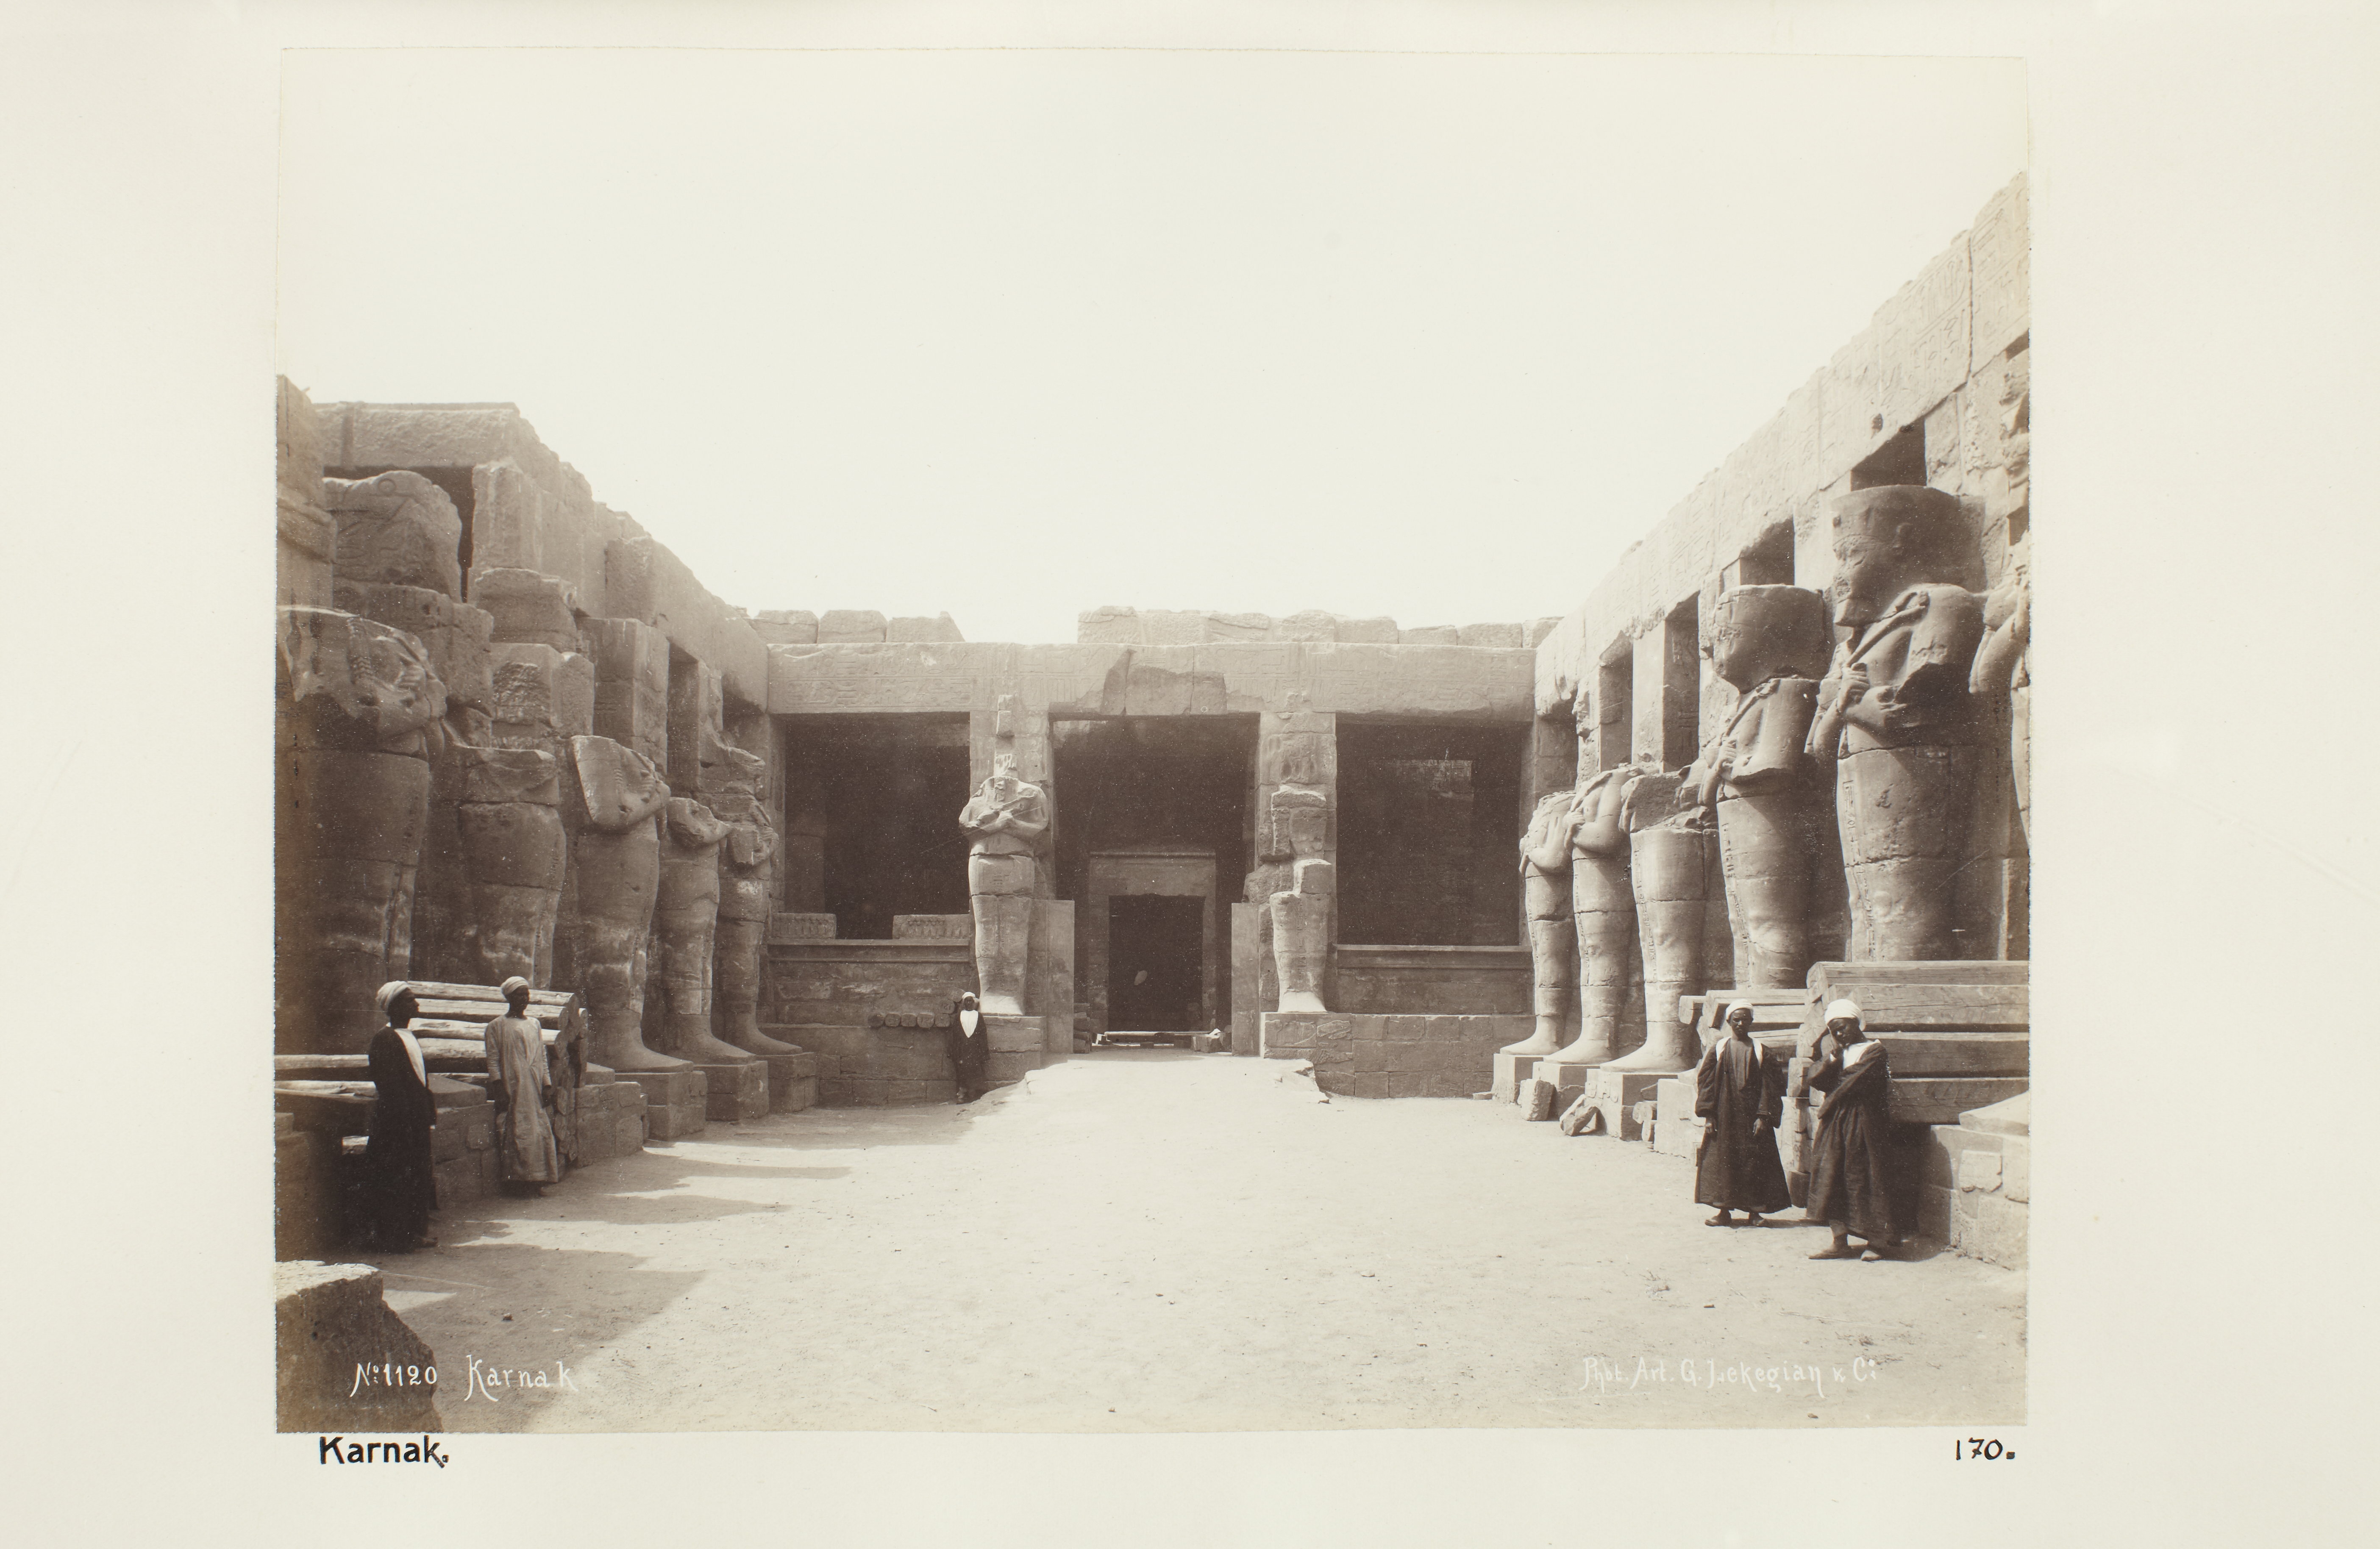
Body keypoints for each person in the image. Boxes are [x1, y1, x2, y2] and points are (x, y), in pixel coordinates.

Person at [1804, 998, 1900, 1260]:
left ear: (1857, 1024)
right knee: (1833, 1176)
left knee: (1867, 1177)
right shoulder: (1839, 1053)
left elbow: (1852, 1082)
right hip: (1837, 1123)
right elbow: (1814, 1078)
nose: (1839, 1034)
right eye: (1833, 1030)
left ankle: (1876, 1243)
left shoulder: (1875, 1051)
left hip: (1865, 1122)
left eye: (1843, 1027)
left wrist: (1828, 1101)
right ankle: (1839, 1241)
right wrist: (1831, 1059)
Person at [1694, 1000, 1792, 1227]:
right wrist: (1709, 1115)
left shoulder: (1761, 1051)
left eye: (1745, 1020)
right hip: (1725, 1116)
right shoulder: (1719, 1049)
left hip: (1753, 1118)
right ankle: (1723, 1212)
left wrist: (1764, 1116)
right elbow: (1706, 1082)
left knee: (1755, 1163)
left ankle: (1755, 1212)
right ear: (1728, 1021)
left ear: (1751, 1022)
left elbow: (1772, 1086)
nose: (1740, 1024)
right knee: (1724, 1162)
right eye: (1736, 1020)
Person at [364, 982, 438, 1251]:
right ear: (393, 1007)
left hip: (414, 1120)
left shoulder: (409, 1036)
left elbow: (420, 1080)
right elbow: (390, 1087)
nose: (415, 1004)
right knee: (396, 1176)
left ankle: (413, 1233)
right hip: (396, 1123)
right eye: (409, 1000)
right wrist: (404, 1120)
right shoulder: (385, 1040)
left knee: (416, 1175)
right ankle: (394, 1238)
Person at [485, 976, 560, 1195]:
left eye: (526, 994)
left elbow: (542, 1057)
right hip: (513, 1086)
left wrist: (547, 1084)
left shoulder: (534, 1024)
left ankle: (538, 1179)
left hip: (534, 1086)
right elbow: (493, 1060)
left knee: (538, 1131)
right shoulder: (496, 1026)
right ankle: (519, 1182)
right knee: (517, 1131)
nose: (524, 999)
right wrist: (499, 1087)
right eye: (519, 995)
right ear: (509, 997)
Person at [947, 991, 989, 1103]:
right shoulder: (959, 1016)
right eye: (967, 1001)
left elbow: (983, 1035)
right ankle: (961, 1095)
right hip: (962, 1049)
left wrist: (984, 1053)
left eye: (971, 1001)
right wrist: (954, 1051)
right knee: (962, 1071)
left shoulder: (979, 1016)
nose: (969, 1003)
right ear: (964, 1003)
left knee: (975, 1071)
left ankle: (973, 1094)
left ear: (974, 1003)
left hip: (975, 1049)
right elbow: (955, 1035)